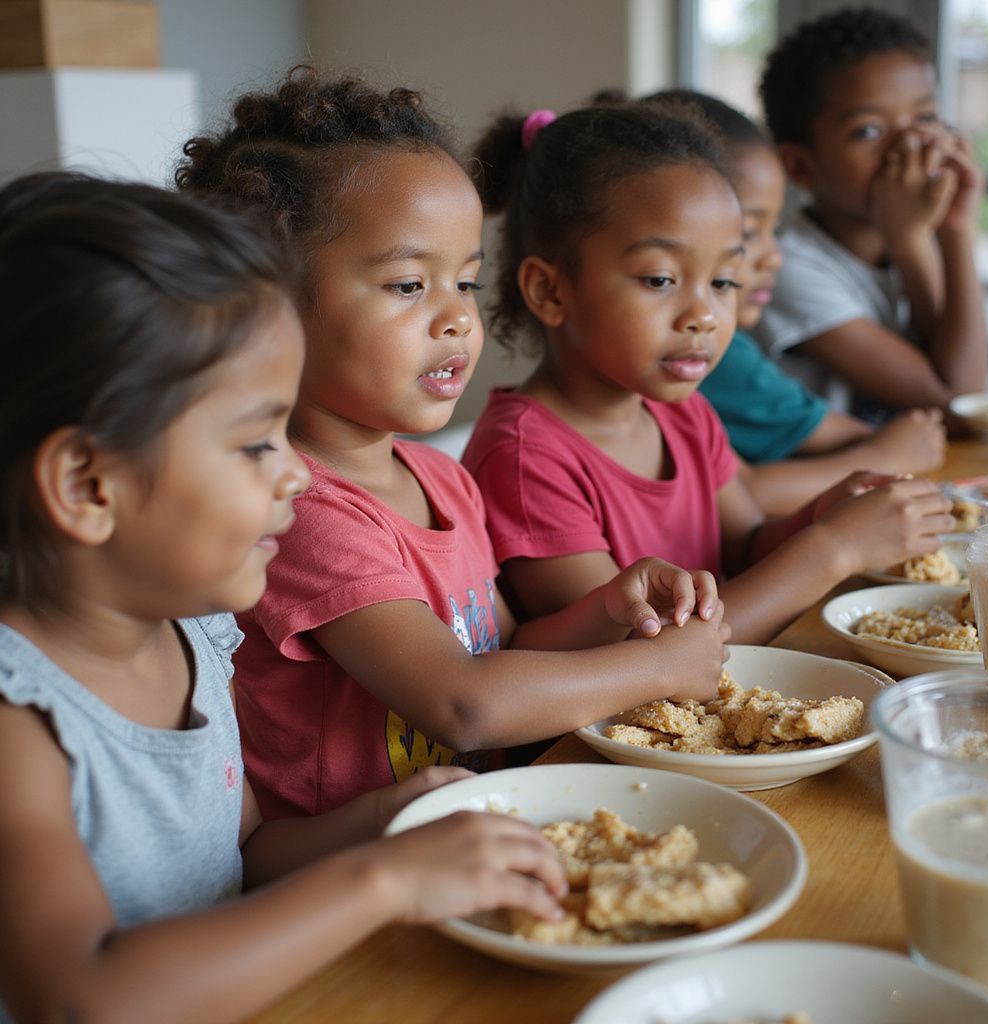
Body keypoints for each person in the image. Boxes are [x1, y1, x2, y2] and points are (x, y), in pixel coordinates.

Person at [0, 172, 570, 1024]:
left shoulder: (194, 637)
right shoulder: (21, 720)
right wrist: (383, 878)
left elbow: (250, 856)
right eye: (255, 442)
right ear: (88, 486)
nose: (299, 472)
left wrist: (385, 821)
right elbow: (86, 997)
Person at [176, 69, 730, 820]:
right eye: (409, 286)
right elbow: (463, 704)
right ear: (270, 306)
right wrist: (655, 668)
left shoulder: (438, 478)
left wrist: (610, 607)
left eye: (464, 284)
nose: (455, 321)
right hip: (353, 875)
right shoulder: (300, 511)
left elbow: (503, 651)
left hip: (469, 834)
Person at [461, 100, 954, 646]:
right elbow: (638, 657)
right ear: (550, 291)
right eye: (659, 279)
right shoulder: (526, 457)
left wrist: (827, 511)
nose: (703, 316)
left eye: (722, 282)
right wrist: (835, 547)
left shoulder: (683, 413)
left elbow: (742, 548)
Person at [643, 87, 947, 515]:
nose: (774, 255)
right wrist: (883, 458)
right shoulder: (700, 353)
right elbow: (747, 498)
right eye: (748, 233)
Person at [753, 6, 988, 417]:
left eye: (926, 117)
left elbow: (960, 375)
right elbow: (957, 400)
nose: (909, 146)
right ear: (801, 167)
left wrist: (953, 227)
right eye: (868, 131)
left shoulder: (916, 236)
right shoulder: (785, 268)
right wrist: (928, 239)